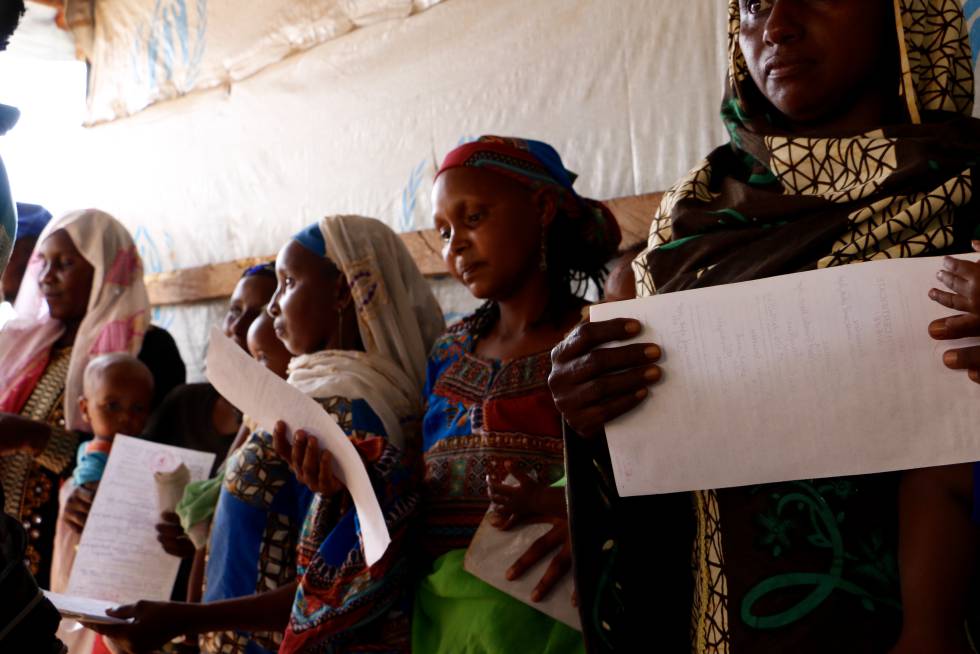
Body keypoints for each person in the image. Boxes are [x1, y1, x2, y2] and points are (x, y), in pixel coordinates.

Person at [548, 0, 980, 651]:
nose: (775, 25)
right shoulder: (688, 221)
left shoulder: (969, 196)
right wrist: (593, 414)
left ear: (904, 12)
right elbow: (658, 485)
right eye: (751, 3)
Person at [90, 215, 444, 654]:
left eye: (289, 282)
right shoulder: (306, 397)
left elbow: (339, 587)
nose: (273, 306)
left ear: (340, 290)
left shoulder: (345, 414)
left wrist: (185, 619)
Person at [412, 136, 621, 654]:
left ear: (543, 207)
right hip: (440, 621)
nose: (454, 243)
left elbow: (643, 476)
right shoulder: (447, 350)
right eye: (443, 231)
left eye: (474, 217)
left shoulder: (598, 339)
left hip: (552, 623)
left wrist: (589, 515)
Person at [0, 209, 184, 589]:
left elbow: (150, 457)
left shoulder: (145, 349)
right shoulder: (28, 346)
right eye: (43, 262)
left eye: (64, 263)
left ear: (106, 269)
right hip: (10, 552)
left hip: (78, 551)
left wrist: (35, 438)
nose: (46, 277)